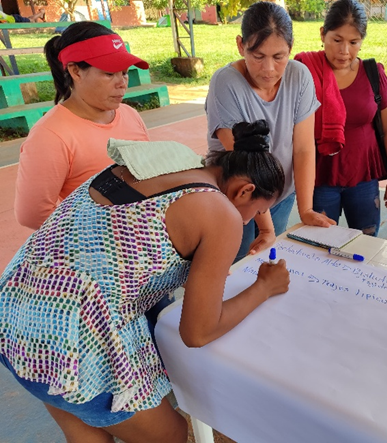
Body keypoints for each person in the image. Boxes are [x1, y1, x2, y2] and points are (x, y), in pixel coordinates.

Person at [0, 120, 290, 443]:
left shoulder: (168, 160)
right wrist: (264, 287)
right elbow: (198, 332)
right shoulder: (220, 213)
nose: (250, 220)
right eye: (257, 210)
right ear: (244, 191)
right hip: (72, 342)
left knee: (84, 428)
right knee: (173, 435)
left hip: (17, 314)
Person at [205, 1, 334, 262]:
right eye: (258, 56)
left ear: (291, 48)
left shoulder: (300, 76)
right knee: (236, 263)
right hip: (235, 196)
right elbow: (243, 164)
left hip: (280, 195)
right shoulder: (226, 82)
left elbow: (303, 148)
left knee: (268, 261)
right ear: (241, 45)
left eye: (279, 57)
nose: (269, 69)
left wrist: (306, 209)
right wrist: (266, 228)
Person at [14, 21, 151, 230]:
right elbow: (31, 214)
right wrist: (92, 234)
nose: (122, 82)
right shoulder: (50, 136)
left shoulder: (130, 114)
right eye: (109, 73)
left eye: (124, 72)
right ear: (76, 71)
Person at [294, 0, 387, 236]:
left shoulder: (373, 73)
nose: (344, 51)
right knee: (321, 242)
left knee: (366, 240)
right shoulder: (305, 71)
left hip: (363, 177)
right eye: (337, 40)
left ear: (362, 41)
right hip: (320, 177)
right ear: (323, 34)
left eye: (353, 43)